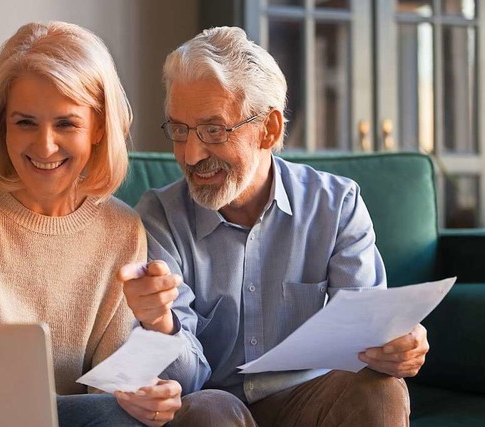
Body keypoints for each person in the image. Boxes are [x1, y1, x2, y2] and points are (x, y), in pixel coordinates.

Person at [119, 26, 429, 426]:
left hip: (313, 399)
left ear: (269, 129)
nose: (192, 154)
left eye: (214, 130)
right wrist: (161, 323)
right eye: (179, 130)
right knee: (207, 411)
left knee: (381, 388)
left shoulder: (336, 205)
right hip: (216, 403)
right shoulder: (158, 217)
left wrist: (396, 344)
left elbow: (363, 342)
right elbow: (181, 382)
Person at [0, 21, 182, 427]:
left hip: (74, 420)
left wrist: (141, 394)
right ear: (2, 123)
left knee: (119, 416)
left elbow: (107, 393)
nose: (45, 146)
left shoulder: (123, 230)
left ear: (99, 128)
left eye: (66, 124)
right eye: (25, 123)